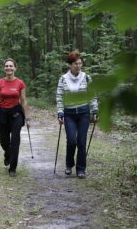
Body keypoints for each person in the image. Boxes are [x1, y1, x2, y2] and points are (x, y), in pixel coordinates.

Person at [56, 51, 98, 179]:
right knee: (72, 141)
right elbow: (59, 97)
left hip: (84, 113)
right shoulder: (63, 78)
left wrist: (95, 110)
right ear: (69, 65)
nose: (78, 66)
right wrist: (60, 112)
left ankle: (81, 169)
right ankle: (69, 165)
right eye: (75, 64)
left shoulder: (87, 78)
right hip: (69, 114)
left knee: (81, 141)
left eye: (80, 63)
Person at [0, 58, 30, 177]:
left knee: (15, 141)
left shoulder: (20, 83)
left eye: (11, 66)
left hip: (16, 113)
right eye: (6, 66)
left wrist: (27, 118)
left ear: (15, 68)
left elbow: (23, 100)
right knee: (4, 141)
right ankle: (7, 154)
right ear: (4, 68)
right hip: (2, 113)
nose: (9, 68)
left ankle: (13, 168)